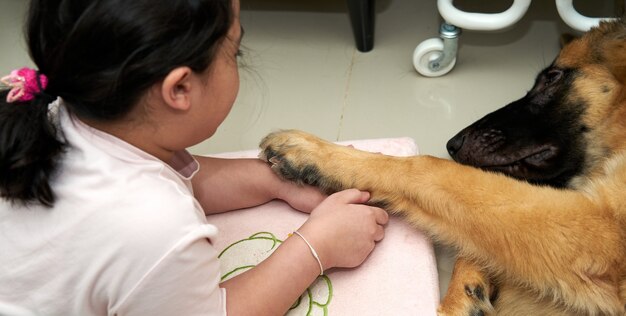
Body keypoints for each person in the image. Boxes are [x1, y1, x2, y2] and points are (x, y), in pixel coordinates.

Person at [0, 0, 389, 315]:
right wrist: (317, 246)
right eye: (235, 50)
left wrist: (276, 180)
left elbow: (182, 176)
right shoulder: (152, 221)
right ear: (180, 88)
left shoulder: (62, 110)